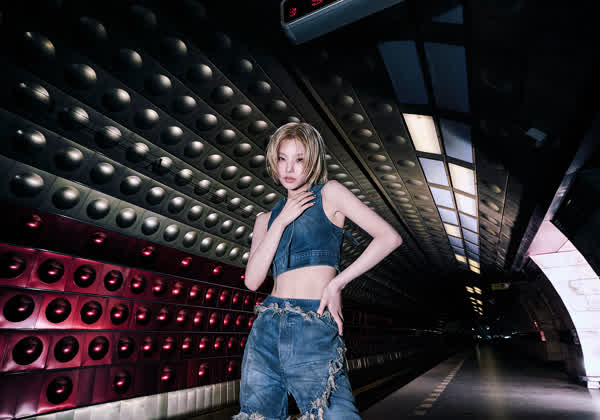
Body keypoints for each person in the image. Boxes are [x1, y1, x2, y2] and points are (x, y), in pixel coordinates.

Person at [233, 122, 403, 420]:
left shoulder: (330, 194)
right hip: (265, 330)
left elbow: (389, 237)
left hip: (312, 324)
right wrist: (281, 221)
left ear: (313, 161)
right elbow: (253, 281)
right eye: (282, 158)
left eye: (299, 159)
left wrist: (337, 284)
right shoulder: (265, 219)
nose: (289, 168)